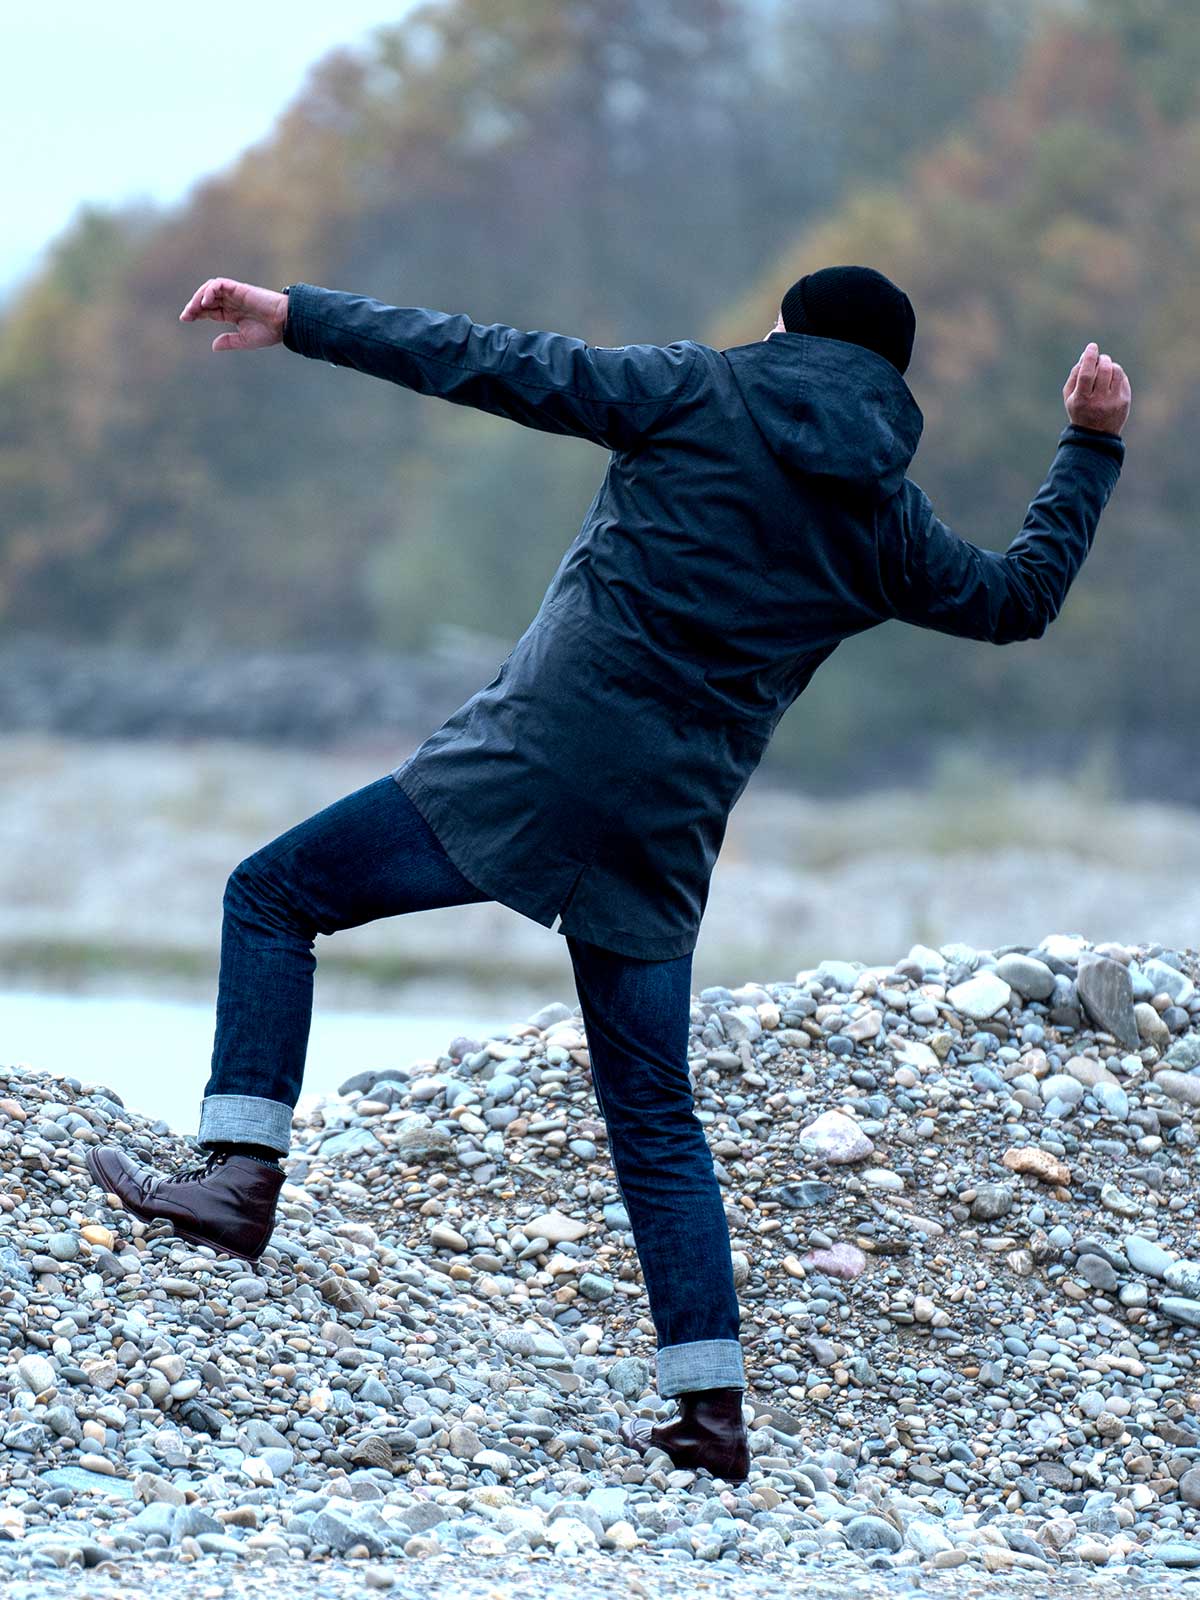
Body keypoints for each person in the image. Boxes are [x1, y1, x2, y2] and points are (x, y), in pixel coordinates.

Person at [86, 265, 1130, 1484]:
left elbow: (485, 354)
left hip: (533, 760)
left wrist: (297, 316)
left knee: (273, 896)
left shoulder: (696, 389)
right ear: (887, 380)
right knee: (652, 1110)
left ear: (789, 331)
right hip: (667, 822)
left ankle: (237, 1177)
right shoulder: (886, 520)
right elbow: (1020, 598)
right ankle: (710, 1414)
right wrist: (1091, 445)